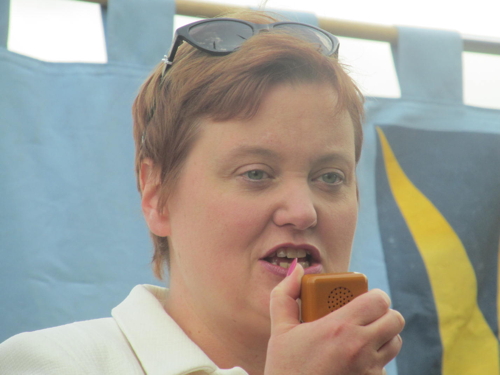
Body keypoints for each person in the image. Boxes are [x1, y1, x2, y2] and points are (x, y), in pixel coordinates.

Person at [0, 10, 404, 375]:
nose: (303, 212)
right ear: (157, 196)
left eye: (330, 177)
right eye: (256, 173)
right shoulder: (51, 363)